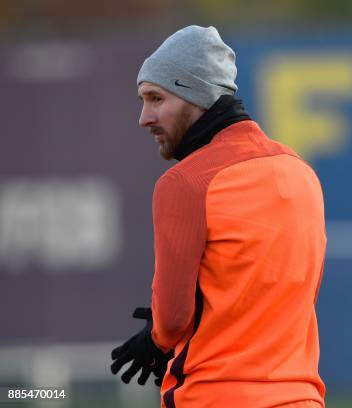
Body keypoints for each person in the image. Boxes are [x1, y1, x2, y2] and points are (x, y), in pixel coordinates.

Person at [109, 25, 327, 407]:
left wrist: (156, 337)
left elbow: (174, 319)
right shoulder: (301, 172)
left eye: (156, 98)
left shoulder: (186, 182)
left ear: (195, 95)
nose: (145, 117)